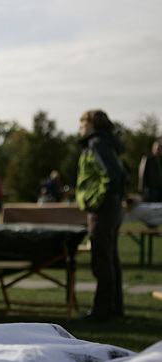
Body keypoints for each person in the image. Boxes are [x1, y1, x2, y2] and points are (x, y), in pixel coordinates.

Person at [75, 110, 127, 321]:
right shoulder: (105, 142)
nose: (80, 128)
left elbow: (113, 174)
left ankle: (102, 312)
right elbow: (123, 173)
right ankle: (115, 309)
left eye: (82, 123)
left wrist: (95, 200)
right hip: (111, 207)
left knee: (102, 260)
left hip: (103, 209)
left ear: (92, 124)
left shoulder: (97, 144)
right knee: (110, 258)